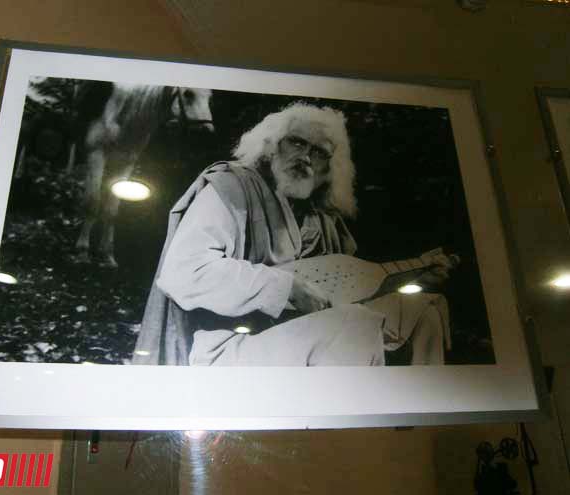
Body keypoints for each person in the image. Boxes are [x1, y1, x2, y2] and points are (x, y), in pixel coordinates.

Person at [132, 103, 453, 366]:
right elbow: (184, 271)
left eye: (319, 152)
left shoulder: (321, 218)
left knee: (424, 309)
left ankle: (419, 412)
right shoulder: (232, 187)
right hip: (229, 344)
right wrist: (285, 288)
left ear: (329, 169)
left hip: (296, 332)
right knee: (356, 324)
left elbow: (342, 290)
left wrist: (411, 276)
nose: (305, 157)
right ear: (271, 147)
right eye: (297, 142)